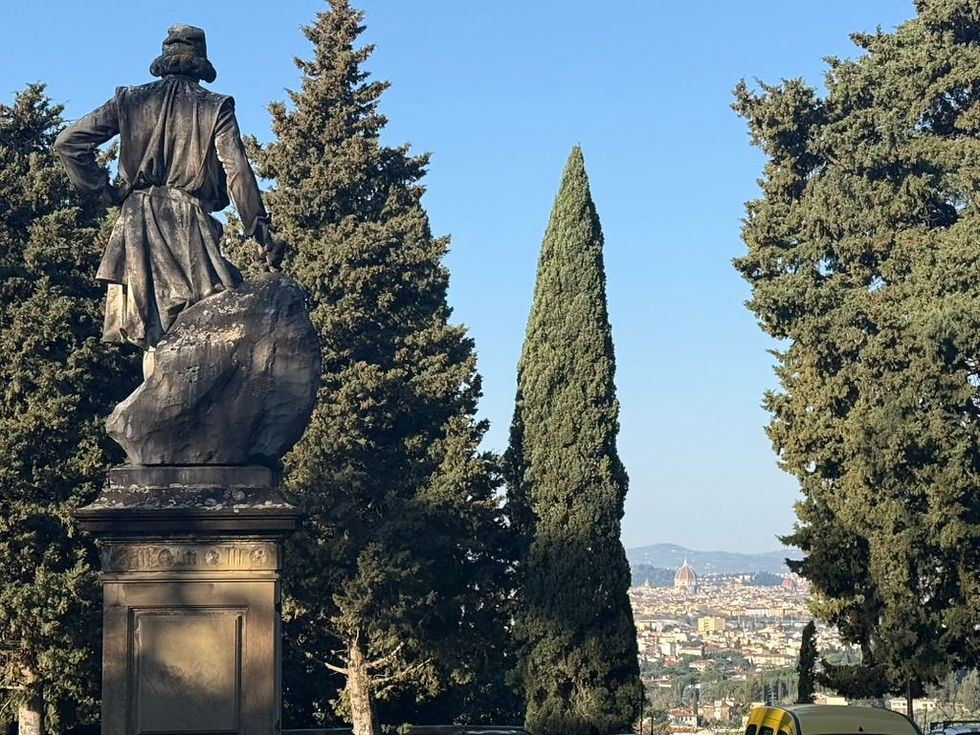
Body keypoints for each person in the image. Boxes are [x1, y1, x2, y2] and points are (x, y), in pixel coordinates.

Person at [54, 24, 282, 350]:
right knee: (206, 329)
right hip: (186, 224)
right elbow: (238, 173)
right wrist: (260, 233)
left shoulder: (130, 100)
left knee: (154, 339)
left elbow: (68, 143)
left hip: (136, 223)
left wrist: (104, 191)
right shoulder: (214, 106)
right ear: (201, 61)